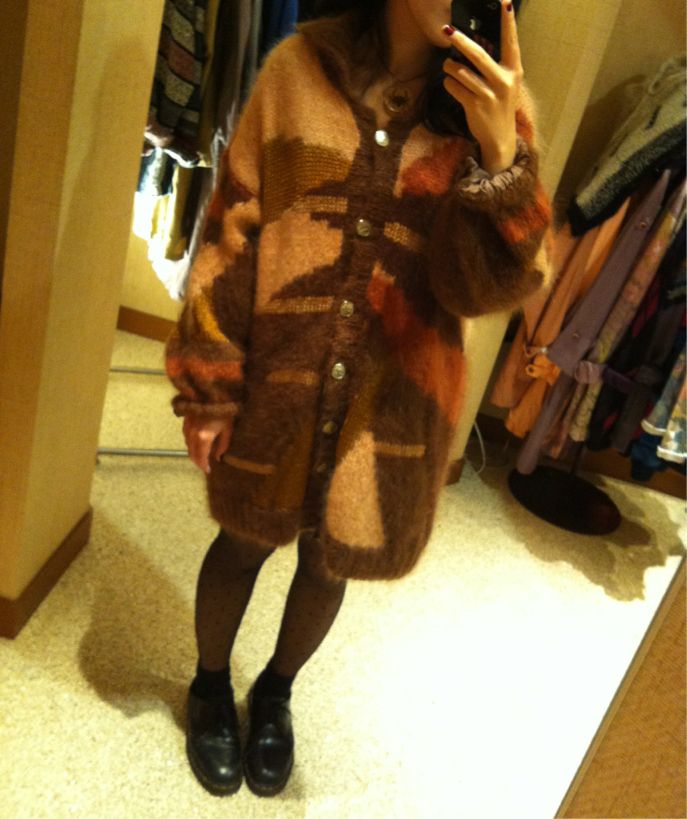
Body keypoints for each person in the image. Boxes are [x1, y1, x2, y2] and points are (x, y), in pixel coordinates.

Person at [164, 0, 553, 798]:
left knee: (328, 557)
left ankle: (275, 692)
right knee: (242, 539)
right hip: (278, 379)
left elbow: (481, 290)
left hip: (390, 403)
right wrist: (208, 382)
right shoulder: (295, 73)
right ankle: (209, 684)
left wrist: (498, 158)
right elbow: (234, 226)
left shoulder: (497, 117)